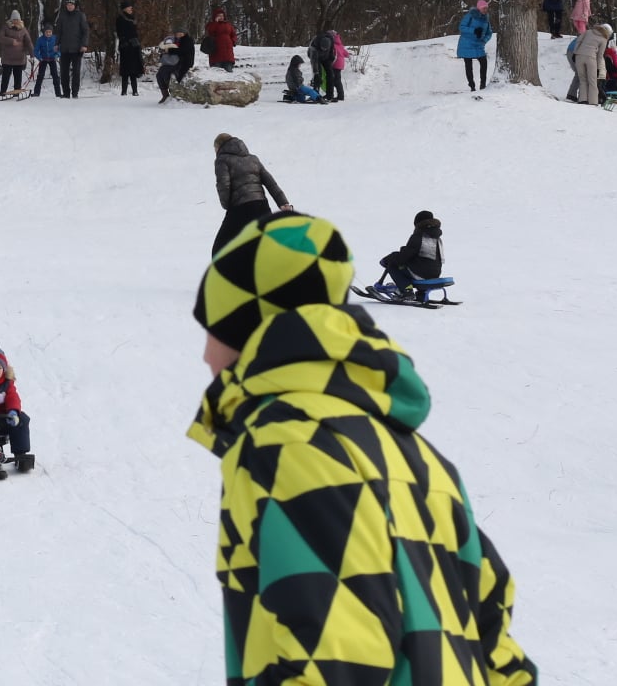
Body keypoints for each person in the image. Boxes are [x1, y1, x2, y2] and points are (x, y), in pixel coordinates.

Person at [189, 213, 536, 686]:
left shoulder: (290, 445)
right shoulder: (418, 458)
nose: (206, 354)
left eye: (212, 329)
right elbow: (494, 645)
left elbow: (339, 665)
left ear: (249, 332)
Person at [211, 133, 291, 256]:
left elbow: (224, 185)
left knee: (220, 247)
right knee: (264, 243)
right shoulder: (253, 159)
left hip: (240, 209)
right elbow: (270, 182)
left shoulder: (222, 160)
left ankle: (233, 273)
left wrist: (227, 205)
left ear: (220, 146)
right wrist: (283, 203)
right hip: (261, 207)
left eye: (215, 148)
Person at [374, 209, 444, 299]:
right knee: (414, 267)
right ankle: (422, 293)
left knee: (393, 266)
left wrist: (388, 259)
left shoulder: (418, 236)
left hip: (422, 273)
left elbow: (403, 258)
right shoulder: (437, 239)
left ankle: (407, 290)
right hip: (435, 273)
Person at [55, 0, 91, 98]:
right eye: (68, 5)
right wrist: (56, 44)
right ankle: (66, 93)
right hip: (65, 48)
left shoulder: (80, 15)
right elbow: (58, 31)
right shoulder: (62, 16)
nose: (69, 6)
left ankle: (75, 92)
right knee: (64, 72)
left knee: (76, 72)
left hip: (77, 49)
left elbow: (85, 31)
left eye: (71, 5)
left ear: (75, 6)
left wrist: (84, 45)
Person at [457, 0, 492, 92]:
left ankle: (483, 85)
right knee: (469, 66)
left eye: (486, 8)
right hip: (466, 43)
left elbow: (489, 33)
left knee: (484, 63)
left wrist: (484, 40)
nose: (486, 10)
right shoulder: (470, 16)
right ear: (479, 8)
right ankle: (472, 86)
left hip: (478, 45)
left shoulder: (486, 19)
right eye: (484, 8)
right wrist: (474, 30)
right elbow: (461, 27)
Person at [0, 12, 33, 96]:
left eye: (17, 19)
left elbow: (29, 42)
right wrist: (11, 41)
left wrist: (32, 54)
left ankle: (17, 92)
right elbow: (0, 38)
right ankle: (2, 91)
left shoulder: (23, 29)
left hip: (19, 58)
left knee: (18, 76)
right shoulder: (6, 27)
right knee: (6, 76)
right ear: (11, 20)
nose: (16, 21)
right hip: (7, 57)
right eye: (14, 19)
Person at [572, 23, 609, 106]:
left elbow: (578, 41)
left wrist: (575, 53)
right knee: (592, 81)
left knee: (583, 79)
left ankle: (582, 100)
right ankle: (593, 101)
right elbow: (600, 55)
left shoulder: (588, 32)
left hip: (579, 56)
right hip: (591, 58)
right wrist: (598, 68)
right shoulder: (604, 39)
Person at [157, 31, 195, 102]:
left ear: (184, 33)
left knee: (164, 71)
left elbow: (182, 51)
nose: (179, 34)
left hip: (183, 63)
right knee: (159, 74)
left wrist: (169, 50)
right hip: (175, 62)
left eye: (181, 32)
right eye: (177, 33)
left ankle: (169, 90)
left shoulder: (187, 40)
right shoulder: (175, 40)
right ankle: (165, 95)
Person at [116, 3, 144, 95]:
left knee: (134, 70)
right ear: (124, 9)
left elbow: (135, 32)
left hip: (134, 46)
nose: (131, 8)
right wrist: (125, 41)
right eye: (129, 7)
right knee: (125, 70)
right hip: (125, 46)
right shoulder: (120, 19)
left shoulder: (132, 18)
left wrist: (136, 42)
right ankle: (124, 91)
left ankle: (135, 91)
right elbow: (119, 32)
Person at [203, 6, 238, 71]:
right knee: (217, 73)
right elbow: (210, 32)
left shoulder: (228, 24)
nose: (221, 17)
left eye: (222, 15)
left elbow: (234, 34)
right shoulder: (211, 24)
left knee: (229, 72)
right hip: (216, 51)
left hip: (228, 52)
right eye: (219, 16)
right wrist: (215, 23)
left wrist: (232, 41)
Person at [33, 24, 62, 97]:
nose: (48, 34)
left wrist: (57, 55)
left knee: (55, 76)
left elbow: (60, 49)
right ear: (44, 32)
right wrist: (39, 57)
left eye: (50, 32)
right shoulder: (40, 40)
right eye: (47, 32)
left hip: (52, 59)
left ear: (52, 32)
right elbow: (36, 51)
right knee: (40, 76)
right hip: (43, 59)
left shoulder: (55, 38)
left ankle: (58, 93)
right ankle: (36, 92)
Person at [307, 30, 333, 100]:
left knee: (330, 74)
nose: (324, 50)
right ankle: (315, 94)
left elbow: (332, 53)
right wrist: (316, 72)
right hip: (316, 57)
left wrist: (331, 60)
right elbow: (314, 61)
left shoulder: (331, 40)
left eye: (325, 49)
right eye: (323, 48)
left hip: (326, 57)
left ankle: (330, 95)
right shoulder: (314, 46)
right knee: (318, 74)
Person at [327, 28, 349, 102]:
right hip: (340, 64)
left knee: (332, 80)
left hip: (335, 63)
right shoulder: (340, 44)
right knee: (338, 80)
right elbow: (346, 53)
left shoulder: (332, 44)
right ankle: (341, 96)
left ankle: (332, 95)